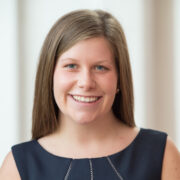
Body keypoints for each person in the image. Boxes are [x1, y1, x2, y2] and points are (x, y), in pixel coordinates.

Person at [0, 9, 180, 180]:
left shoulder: (162, 153)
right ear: (49, 75)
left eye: (100, 67)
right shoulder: (17, 165)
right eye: (71, 66)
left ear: (119, 78)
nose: (86, 82)